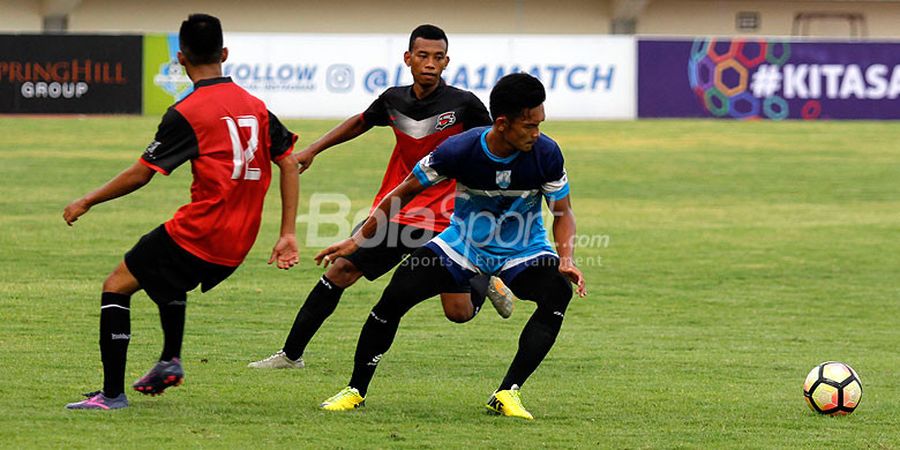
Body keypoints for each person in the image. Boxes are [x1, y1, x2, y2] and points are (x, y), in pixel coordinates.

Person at [316, 73, 587, 420]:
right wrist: (358, 239)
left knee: (556, 293)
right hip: (462, 245)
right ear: (502, 124)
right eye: (529, 126)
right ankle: (355, 390)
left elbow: (562, 211)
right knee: (395, 295)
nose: (537, 133)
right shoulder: (460, 150)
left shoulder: (547, 153)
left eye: (540, 124)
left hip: (523, 249)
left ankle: (507, 392)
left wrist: (566, 258)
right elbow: (402, 193)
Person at [64, 13, 299, 410]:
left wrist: (86, 200)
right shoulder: (255, 105)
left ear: (180, 58)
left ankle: (112, 395)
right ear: (224, 53)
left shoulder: (187, 111)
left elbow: (142, 174)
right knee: (165, 279)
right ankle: (169, 361)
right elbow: (289, 161)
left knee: (116, 285)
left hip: (201, 230)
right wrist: (287, 232)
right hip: (240, 241)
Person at [248, 24, 515, 370]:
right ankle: (291, 355)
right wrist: (313, 150)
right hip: (394, 211)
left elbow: (495, 141)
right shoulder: (394, 100)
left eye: (437, 57)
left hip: (445, 219)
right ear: (408, 58)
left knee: (458, 312)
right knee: (340, 270)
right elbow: (360, 122)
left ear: (447, 62)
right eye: (423, 56)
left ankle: (482, 275)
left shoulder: (463, 104)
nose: (430, 63)